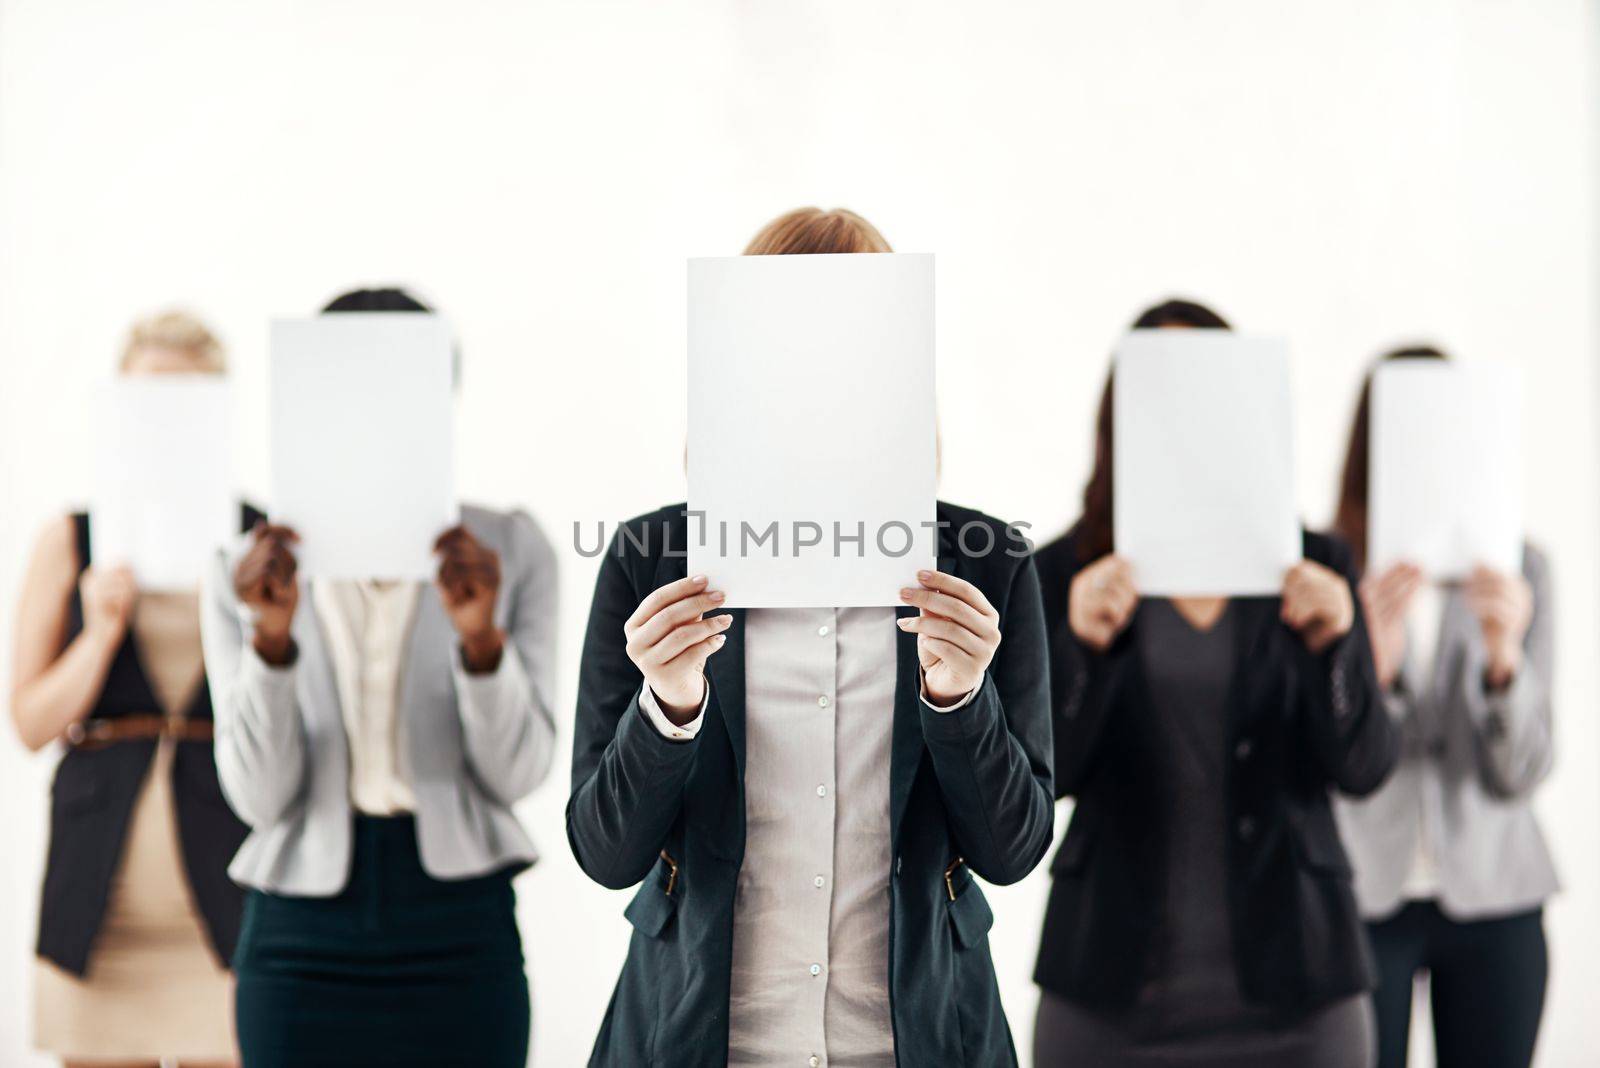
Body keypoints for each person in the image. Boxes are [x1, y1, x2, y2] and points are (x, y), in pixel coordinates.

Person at [568, 207, 1054, 1067]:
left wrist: (958, 697)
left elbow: (1012, 851)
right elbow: (606, 854)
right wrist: (668, 707)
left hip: (919, 1040)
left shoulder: (988, 562)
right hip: (695, 1037)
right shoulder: (653, 558)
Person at [1030, 299, 1398, 1068]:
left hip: (1300, 987)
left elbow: (1364, 767)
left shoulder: (1314, 560)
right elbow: (1040, 781)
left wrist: (1334, 648)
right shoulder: (1066, 569)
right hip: (1110, 991)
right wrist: (1081, 652)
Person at [199, 288, 557, 1068]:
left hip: (459, 919)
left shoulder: (509, 548)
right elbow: (258, 797)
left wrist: (481, 643)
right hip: (299, 929)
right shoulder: (243, 569)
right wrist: (270, 641)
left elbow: (519, 773)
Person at [11, 311, 249, 1068]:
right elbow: (30, 721)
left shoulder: (263, 539)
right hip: (100, 921)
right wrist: (101, 632)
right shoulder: (70, 538)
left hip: (225, 906)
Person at [1330, 346, 1556, 1068]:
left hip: (1497, 892)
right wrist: (1377, 666)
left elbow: (1522, 772)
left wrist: (1503, 659)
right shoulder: (1331, 570)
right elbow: (1327, 757)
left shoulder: (1522, 569)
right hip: (1365, 893)